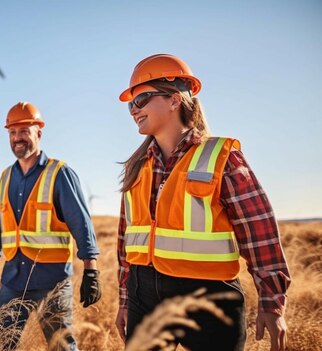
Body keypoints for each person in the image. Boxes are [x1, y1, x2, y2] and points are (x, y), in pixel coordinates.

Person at [114, 54, 291, 351]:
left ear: (174, 99)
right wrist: (124, 300)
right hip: (143, 292)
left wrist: (272, 304)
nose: (134, 110)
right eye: (130, 104)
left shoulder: (221, 157)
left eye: (141, 99)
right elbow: (125, 241)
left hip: (210, 297)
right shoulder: (137, 166)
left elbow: (259, 232)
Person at [0, 101, 101, 351]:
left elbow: (81, 224)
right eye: (12, 132)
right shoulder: (5, 177)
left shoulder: (59, 173)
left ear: (38, 133)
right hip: (12, 280)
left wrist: (91, 271)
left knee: (61, 347)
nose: (17, 138)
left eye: (23, 131)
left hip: (51, 282)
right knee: (3, 345)